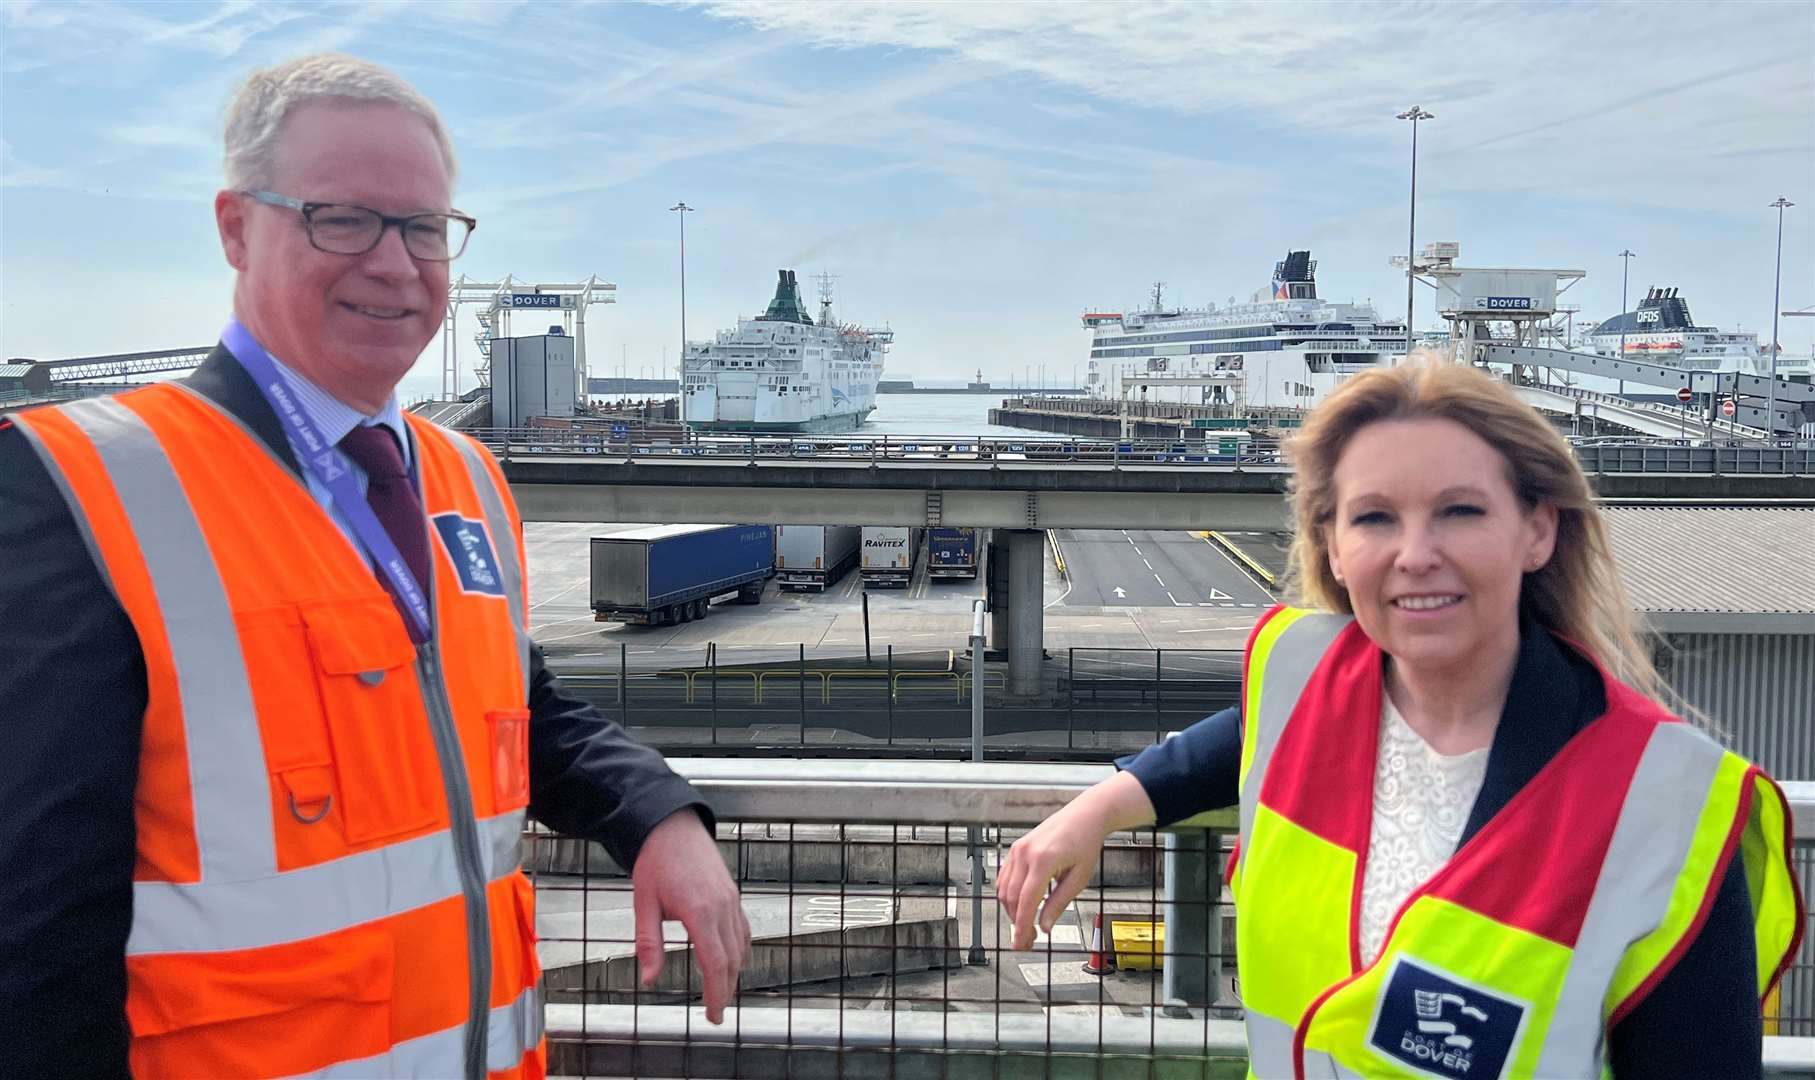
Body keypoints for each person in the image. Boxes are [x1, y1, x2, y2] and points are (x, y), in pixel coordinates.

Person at [0, 54, 750, 1079]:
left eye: (423, 228)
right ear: (235, 226)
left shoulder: (465, 479)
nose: (395, 264)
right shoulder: (87, 486)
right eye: (340, 219)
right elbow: (32, 930)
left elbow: (508, 710)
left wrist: (657, 814)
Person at [998, 356, 1802, 1078]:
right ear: (1334, 547)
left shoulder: (1663, 802)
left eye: (1458, 511)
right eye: (1375, 517)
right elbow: (1233, 741)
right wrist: (1097, 808)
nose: (1415, 553)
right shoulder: (1300, 675)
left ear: (1536, 529)